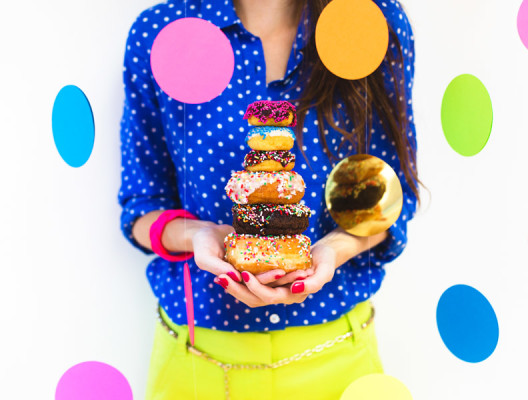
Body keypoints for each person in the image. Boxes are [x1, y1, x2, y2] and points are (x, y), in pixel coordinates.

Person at [118, 0, 419, 399]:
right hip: (197, 363)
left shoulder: (371, 20)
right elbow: (142, 208)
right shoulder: (162, 32)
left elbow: (390, 201)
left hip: (336, 359)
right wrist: (199, 235)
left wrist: (337, 247)